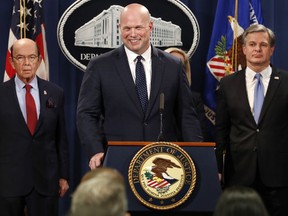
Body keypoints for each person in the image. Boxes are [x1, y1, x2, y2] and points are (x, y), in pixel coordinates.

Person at [77, 3, 203, 169]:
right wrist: (95, 150)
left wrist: (199, 156)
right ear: (119, 28)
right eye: (127, 28)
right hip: (117, 160)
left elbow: (187, 115)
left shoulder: (173, 65)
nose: (133, 34)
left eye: (138, 27)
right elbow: (86, 114)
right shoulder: (100, 65)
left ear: (150, 27)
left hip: (163, 160)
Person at [215, 24, 288, 216]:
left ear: (271, 50)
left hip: (279, 174)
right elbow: (221, 129)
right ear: (244, 49)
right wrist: (217, 167)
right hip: (239, 172)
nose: (257, 49)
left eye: (263, 45)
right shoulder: (228, 84)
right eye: (252, 44)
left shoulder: (286, 82)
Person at [0, 38, 69, 216]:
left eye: (31, 57)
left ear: (39, 60)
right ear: (11, 61)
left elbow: (60, 138)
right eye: (20, 58)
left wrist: (63, 176)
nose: (27, 63)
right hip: (8, 181)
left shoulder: (55, 93)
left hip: (46, 181)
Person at [164, 47, 208, 141]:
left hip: (184, 152)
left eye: (180, 66)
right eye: (172, 64)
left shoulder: (194, 99)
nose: (175, 69)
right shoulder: (149, 95)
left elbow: (199, 133)